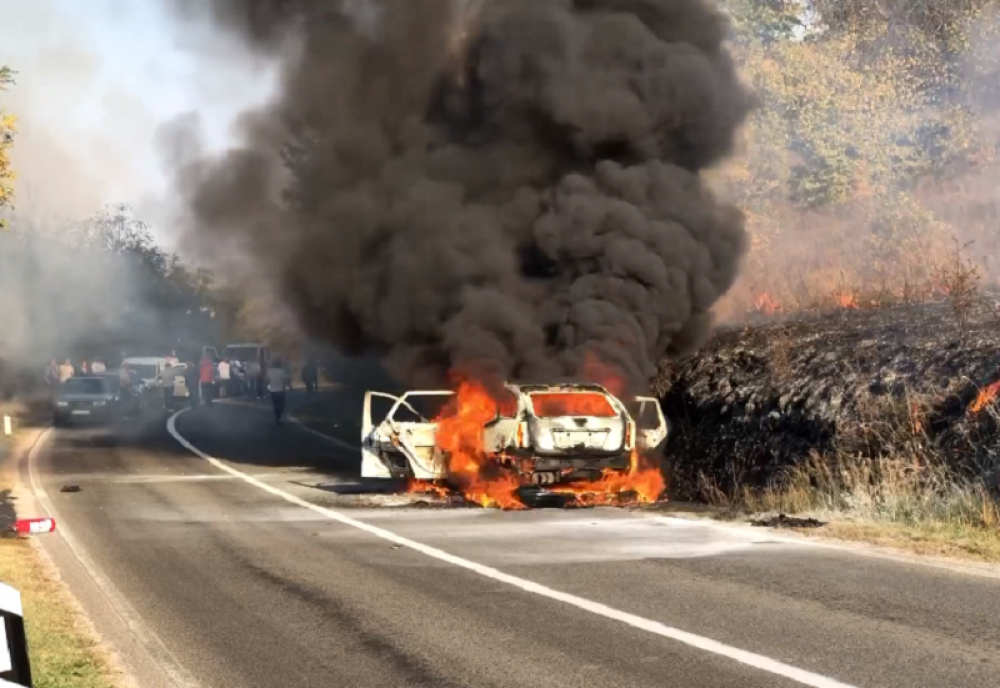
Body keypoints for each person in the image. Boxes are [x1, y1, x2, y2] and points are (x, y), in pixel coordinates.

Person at [267, 358, 288, 425]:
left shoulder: (270, 371)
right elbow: (285, 381)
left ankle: (277, 417)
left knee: (276, 404)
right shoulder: (281, 372)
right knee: (281, 405)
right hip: (280, 390)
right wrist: (285, 387)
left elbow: (266, 380)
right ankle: (278, 417)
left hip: (272, 390)